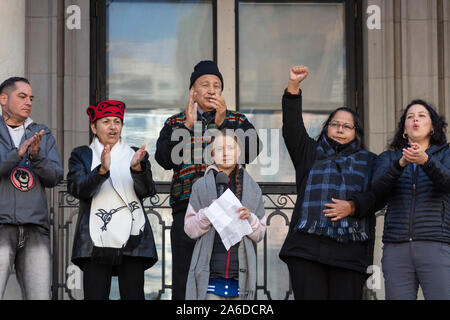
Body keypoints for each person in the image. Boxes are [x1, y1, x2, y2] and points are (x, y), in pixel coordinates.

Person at [155, 60, 261, 299]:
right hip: (188, 209)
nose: (212, 90)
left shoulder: (237, 120)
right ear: (193, 91)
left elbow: (253, 150)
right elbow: (163, 158)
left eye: (217, 85)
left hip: (230, 210)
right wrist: (187, 126)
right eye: (205, 84)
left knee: (225, 275)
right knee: (185, 276)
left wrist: (224, 123)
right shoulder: (175, 122)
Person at [278, 66, 379, 300]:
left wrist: (353, 206)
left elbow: (378, 196)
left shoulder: (370, 162)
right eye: (335, 124)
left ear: (357, 133)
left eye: (347, 126)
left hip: (349, 254)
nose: (340, 129)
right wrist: (293, 87)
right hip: (306, 251)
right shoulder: (309, 152)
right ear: (326, 128)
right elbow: (292, 128)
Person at [335, 99, 450, 299]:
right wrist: (400, 164)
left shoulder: (446, 154)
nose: (415, 119)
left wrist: (427, 162)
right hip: (396, 247)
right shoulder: (388, 158)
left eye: (422, 116)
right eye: (410, 117)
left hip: (435, 243)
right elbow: (377, 192)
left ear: (432, 127)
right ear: (404, 130)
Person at [67, 100, 158, 300]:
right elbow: (77, 188)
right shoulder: (82, 154)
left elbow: (148, 191)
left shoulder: (135, 153)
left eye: (117, 121)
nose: (113, 127)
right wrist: (101, 170)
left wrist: (137, 169)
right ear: (93, 126)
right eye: (106, 121)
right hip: (95, 239)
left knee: (133, 295)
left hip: (133, 236)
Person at [0, 77, 63, 300]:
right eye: (22, 96)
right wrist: (16, 154)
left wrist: (37, 157)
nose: (28, 102)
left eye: (31, 98)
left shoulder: (42, 133)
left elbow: (55, 177)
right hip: (2, 225)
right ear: (3, 99)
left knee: (39, 297)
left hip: (35, 228)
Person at [184, 131, 266, 300]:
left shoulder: (253, 188)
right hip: (210, 273)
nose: (226, 152)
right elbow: (190, 229)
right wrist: (207, 213)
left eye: (231, 147)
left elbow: (260, 234)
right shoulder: (201, 186)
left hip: (240, 274)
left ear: (239, 153)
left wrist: (250, 218)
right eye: (220, 149)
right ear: (212, 154)